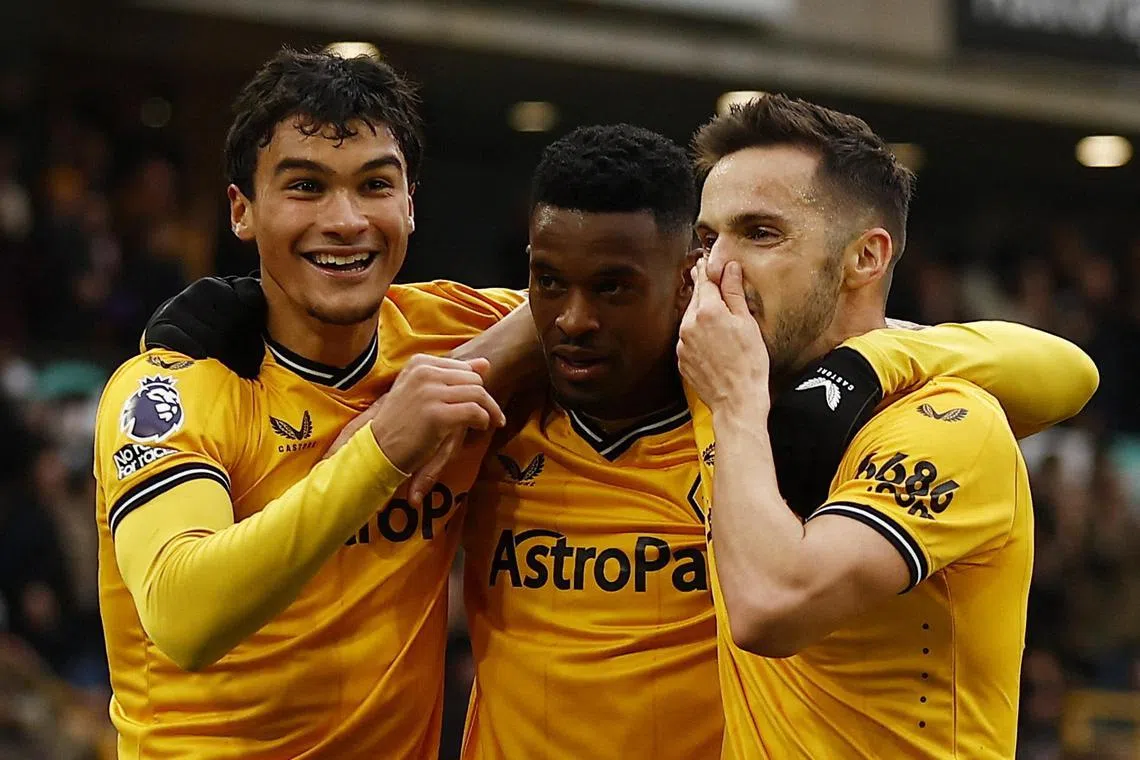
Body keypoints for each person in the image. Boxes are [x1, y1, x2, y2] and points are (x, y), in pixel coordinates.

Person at [147, 123, 1097, 760]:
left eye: (757, 234)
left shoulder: (745, 414)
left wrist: (849, 375)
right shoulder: (496, 398)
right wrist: (240, 312)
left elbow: (1061, 370)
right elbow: (355, 343)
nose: (574, 319)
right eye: (548, 287)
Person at [93, 48, 531, 759]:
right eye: (305, 186)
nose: (347, 220)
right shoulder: (172, 386)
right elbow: (182, 613)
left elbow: (611, 290)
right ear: (242, 210)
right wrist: (382, 448)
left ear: (410, 204)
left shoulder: (449, 327)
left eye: (375, 185)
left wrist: (474, 363)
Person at [678, 94, 1067, 757]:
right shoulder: (721, 360)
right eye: (708, 239)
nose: (715, 270)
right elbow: (567, 311)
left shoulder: (949, 423)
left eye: (761, 233)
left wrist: (744, 400)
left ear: (866, 257)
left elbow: (771, 607)